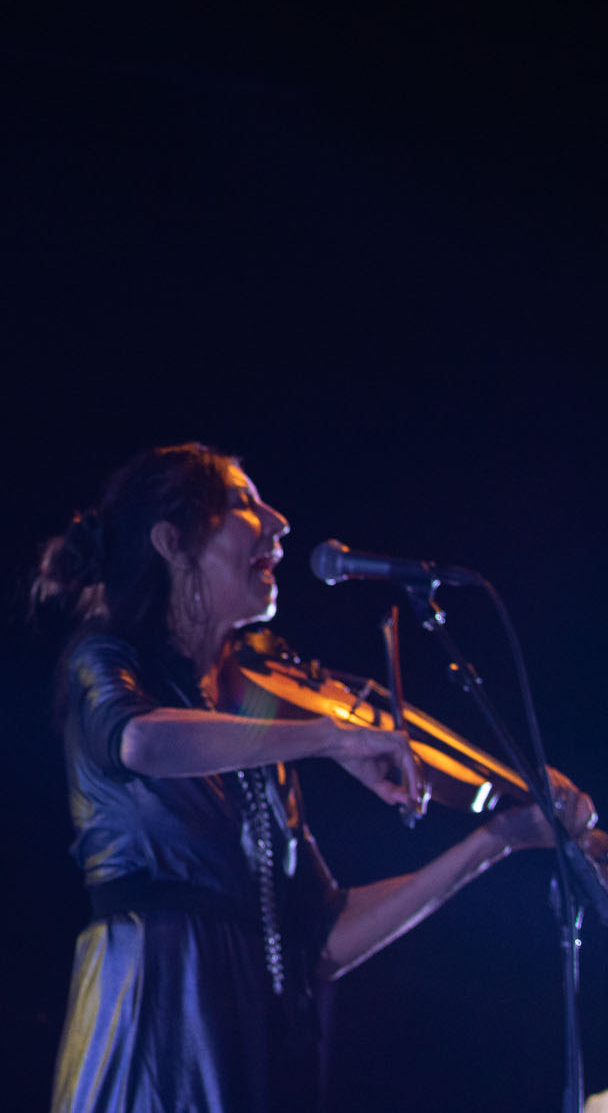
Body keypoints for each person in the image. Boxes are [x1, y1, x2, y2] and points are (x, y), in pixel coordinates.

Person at [32, 442, 599, 1113]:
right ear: (172, 542)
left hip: (253, 1040)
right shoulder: (107, 661)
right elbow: (141, 739)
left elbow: (325, 938)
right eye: (243, 504)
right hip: (156, 1024)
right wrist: (329, 735)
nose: (278, 522)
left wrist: (494, 842)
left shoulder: (253, 727)